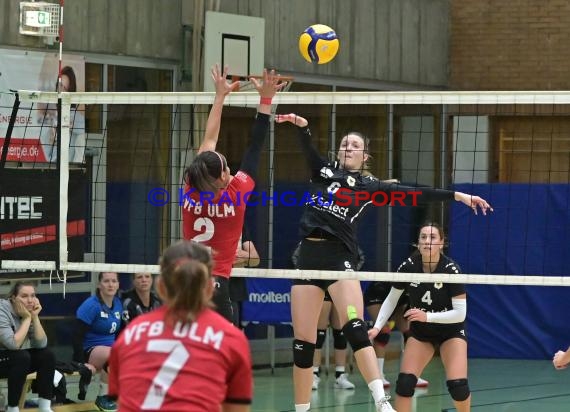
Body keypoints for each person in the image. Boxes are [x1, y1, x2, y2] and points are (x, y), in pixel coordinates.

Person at [274, 113, 492, 412]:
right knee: (303, 343)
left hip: (340, 259)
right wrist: (303, 127)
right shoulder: (322, 171)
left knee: (354, 326)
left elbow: (415, 193)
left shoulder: (370, 186)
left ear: (365, 155)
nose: (347, 148)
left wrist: (457, 195)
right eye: (344, 144)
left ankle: (380, 400)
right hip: (308, 258)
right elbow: (307, 146)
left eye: (354, 145)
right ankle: (302, 409)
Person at [182, 65, 286, 322]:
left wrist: (220, 97)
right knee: (220, 357)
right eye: (227, 166)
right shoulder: (236, 192)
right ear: (223, 178)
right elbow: (254, 148)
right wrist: (265, 100)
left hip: (184, 281)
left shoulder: (192, 183)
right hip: (214, 285)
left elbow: (209, 140)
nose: (230, 167)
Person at [108, 240, 253, 412]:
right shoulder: (232, 339)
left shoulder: (130, 334)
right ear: (210, 288)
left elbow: (121, 398)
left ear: (160, 287)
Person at [369, 223, 470, 412]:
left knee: (458, 387)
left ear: (441, 243)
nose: (427, 241)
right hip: (422, 333)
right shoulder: (408, 266)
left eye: (432, 237)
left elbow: (460, 314)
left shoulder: (451, 269)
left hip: (451, 332)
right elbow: (392, 299)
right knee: (405, 384)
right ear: (417, 243)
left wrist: (427, 316)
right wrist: (377, 327)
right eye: (423, 237)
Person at [0, 281, 56, 412]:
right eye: (24, 296)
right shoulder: (2, 310)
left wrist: (34, 317)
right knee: (21, 357)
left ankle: (44, 407)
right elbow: (12, 344)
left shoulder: (27, 311)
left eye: (33, 295)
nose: (30, 300)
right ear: (13, 298)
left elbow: (41, 344)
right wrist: (26, 318)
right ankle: (13, 408)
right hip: (6, 358)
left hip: (13, 360)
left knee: (47, 355)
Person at [73, 272, 122, 412]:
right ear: (99, 284)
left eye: (114, 281)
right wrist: (79, 362)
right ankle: (103, 397)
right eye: (106, 281)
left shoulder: (118, 304)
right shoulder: (91, 305)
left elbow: (118, 333)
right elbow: (76, 335)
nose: (111, 284)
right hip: (90, 350)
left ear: (118, 284)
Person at [365, 282, 429, 388]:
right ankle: (378, 375)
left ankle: (411, 373)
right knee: (383, 332)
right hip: (378, 293)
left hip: (402, 297)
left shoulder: (423, 287)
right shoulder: (408, 271)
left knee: (410, 334)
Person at [38, 65, 86, 163]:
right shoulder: (51, 118)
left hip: (70, 171)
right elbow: (47, 154)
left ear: (70, 91)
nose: (61, 91)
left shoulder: (78, 118)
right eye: (60, 87)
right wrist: (52, 140)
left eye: (65, 88)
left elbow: (80, 154)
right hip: (52, 170)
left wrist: (74, 171)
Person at [312, 292, 356, 390]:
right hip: (324, 286)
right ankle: (314, 375)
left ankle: (340, 375)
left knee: (341, 333)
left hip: (339, 285)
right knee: (319, 334)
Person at [230, 227, 260, 327]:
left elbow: (256, 259)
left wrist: (244, 256)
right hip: (209, 286)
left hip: (233, 289)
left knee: (231, 332)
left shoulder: (240, 224)